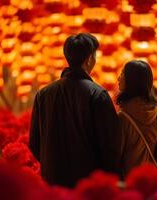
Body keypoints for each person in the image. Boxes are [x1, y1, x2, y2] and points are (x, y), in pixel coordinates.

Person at [29, 33, 121, 187]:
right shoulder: (98, 95)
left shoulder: (43, 94)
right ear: (89, 59)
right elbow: (110, 146)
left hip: (53, 183)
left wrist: (54, 164)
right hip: (88, 185)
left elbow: (34, 142)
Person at [117, 60, 157, 177]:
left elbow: (116, 156)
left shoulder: (122, 118)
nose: (118, 78)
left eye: (122, 74)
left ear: (131, 81)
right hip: (153, 182)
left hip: (131, 183)